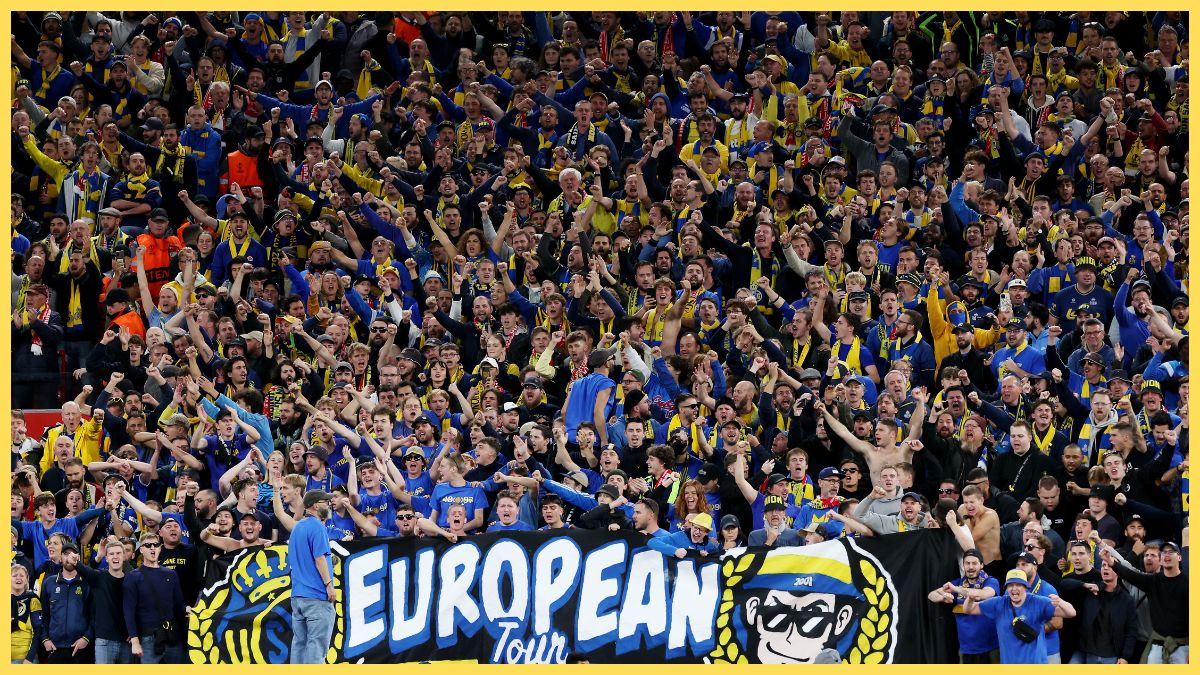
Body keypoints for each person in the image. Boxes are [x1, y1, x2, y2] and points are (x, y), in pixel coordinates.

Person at [961, 568, 1077, 664]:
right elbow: (968, 609)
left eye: (1018, 585)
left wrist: (1061, 602)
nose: (1014, 588)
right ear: (1006, 588)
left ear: (1026, 587)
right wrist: (970, 598)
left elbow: (1071, 613)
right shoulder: (999, 603)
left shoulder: (1037, 602)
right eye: (1010, 585)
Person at [287, 490, 336, 664]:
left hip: (298, 596)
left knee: (299, 645)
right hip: (316, 595)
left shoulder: (297, 527)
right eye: (326, 502)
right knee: (316, 647)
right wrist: (329, 585)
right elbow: (319, 558)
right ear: (316, 505)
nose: (329, 505)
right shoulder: (317, 526)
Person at [927, 548, 1000, 663]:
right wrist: (943, 597)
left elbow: (983, 594)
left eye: (974, 563)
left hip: (991, 647)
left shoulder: (990, 581)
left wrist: (956, 590)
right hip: (966, 649)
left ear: (981, 565)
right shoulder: (957, 583)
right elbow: (931, 595)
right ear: (963, 565)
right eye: (967, 563)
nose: (970, 567)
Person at [123, 533, 185, 664]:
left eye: (156, 545)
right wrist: (134, 640)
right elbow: (129, 611)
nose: (152, 548)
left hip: (171, 636)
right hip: (147, 638)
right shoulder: (133, 576)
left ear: (160, 548)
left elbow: (179, 607)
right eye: (148, 545)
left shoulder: (171, 574)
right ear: (141, 550)